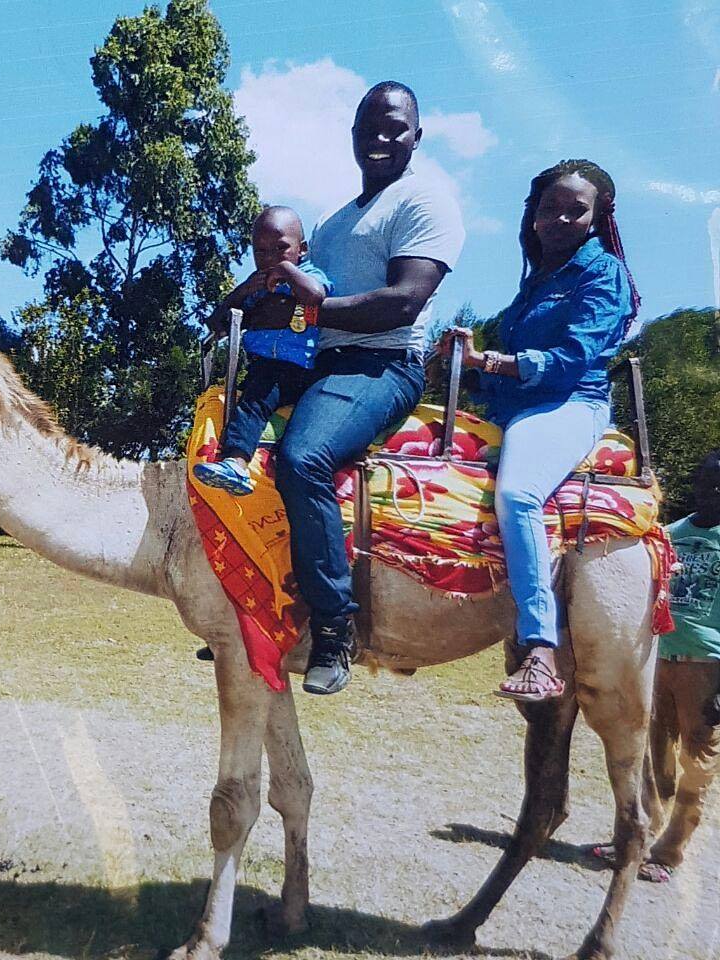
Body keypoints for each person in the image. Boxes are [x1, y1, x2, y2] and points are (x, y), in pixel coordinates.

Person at [263, 81, 465, 695]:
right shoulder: (331, 222)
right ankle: (258, 604)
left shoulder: (426, 202)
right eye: (367, 127)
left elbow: (402, 302)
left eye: (394, 126)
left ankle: (333, 627)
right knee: (228, 442)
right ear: (352, 135)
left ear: (416, 136)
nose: (379, 137)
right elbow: (299, 300)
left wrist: (317, 314)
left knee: (303, 458)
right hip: (320, 364)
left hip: (381, 364)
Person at [441, 159, 640, 702]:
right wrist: (464, 366)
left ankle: (540, 647)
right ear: (533, 217)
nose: (559, 219)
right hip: (520, 406)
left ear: (597, 219)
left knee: (518, 492)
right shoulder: (536, 283)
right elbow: (505, 380)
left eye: (576, 211)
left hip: (572, 403)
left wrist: (497, 362)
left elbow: (574, 358)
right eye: (550, 208)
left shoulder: (604, 275)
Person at [594, 452, 720, 881]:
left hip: (707, 667)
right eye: (706, 480)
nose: (712, 490)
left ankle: (668, 854)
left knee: (696, 763)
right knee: (653, 759)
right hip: (658, 658)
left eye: (719, 484)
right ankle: (638, 836)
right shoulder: (671, 532)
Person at [194, 205, 333, 496]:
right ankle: (235, 461)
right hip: (262, 366)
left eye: (281, 248)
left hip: (300, 368)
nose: (270, 258)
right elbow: (216, 324)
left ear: (302, 249)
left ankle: (237, 462)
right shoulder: (255, 286)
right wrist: (242, 292)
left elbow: (316, 296)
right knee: (255, 396)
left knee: (258, 402)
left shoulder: (309, 274)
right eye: (261, 251)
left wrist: (287, 271)